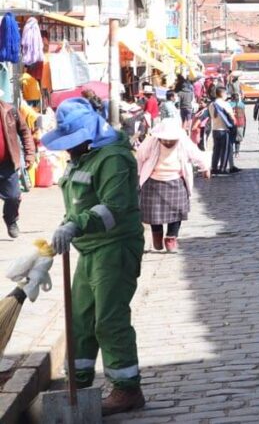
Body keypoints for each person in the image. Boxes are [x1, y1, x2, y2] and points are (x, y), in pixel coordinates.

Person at [43, 98, 145, 415]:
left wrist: (75, 225)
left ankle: (127, 390)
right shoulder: (84, 156)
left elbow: (113, 207)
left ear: (89, 133)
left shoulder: (113, 158)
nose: (68, 151)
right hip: (89, 247)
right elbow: (79, 204)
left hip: (114, 248)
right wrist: (62, 231)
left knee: (109, 320)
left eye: (74, 144)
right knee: (81, 319)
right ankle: (78, 384)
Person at [135, 119, 210, 253]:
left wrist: (205, 168)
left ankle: (171, 238)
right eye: (165, 140)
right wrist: (138, 175)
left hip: (176, 180)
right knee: (154, 215)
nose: (168, 142)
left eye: (171, 140)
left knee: (178, 212)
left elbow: (196, 154)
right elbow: (140, 157)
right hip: (153, 181)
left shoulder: (184, 142)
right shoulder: (151, 142)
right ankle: (156, 236)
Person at [0, 90, 35, 238]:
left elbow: (25, 132)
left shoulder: (10, 111)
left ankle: (11, 219)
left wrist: (30, 154)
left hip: (7, 164)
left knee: (13, 196)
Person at [207, 87, 237, 175]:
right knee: (225, 150)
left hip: (215, 129)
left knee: (216, 150)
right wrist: (234, 122)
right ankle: (222, 168)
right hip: (224, 129)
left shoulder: (211, 104)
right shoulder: (225, 104)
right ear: (223, 94)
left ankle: (214, 167)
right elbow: (231, 116)